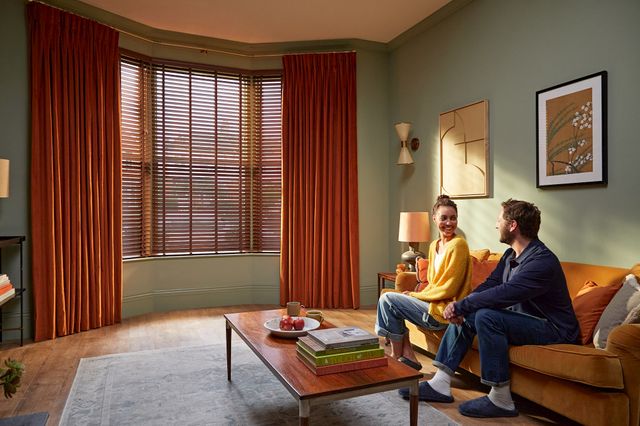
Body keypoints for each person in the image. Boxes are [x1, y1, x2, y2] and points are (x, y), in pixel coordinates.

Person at [399, 199, 580, 419]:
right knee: (474, 311)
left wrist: (462, 305)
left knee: (486, 315)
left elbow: (505, 294)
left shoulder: (542, 261)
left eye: (499, 219)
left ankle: (501, 399)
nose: (496, 224)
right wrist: (461, 307)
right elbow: (491, 285)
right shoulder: (510, 255)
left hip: (555, 330)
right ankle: (440, 383)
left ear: (512, 225)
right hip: (525, 320)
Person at [376, 195, 473, 371]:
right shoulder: (434, 245)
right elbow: (432, 283)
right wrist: (417, 296)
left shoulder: (459, 245)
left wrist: (414, 295)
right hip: (430, 304)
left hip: (444, 312)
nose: (449, 223)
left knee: (387, 299)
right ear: (434, 218)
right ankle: (408, 355)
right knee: (391, 301)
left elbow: (448, 289)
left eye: (453, 218)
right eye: (444, 218)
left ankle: (397, 358)